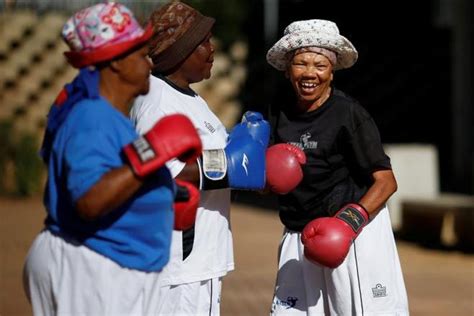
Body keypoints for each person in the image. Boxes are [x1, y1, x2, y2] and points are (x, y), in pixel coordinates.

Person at [22, 3, 203, 315]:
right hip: (91, 268)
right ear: (117, 62)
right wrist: (153, 150)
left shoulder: (109, 116)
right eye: (140, 55)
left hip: (108, 267)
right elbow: (90, 199)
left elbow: (119, 174)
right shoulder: (91, 117)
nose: (149, 63)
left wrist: (165, 194)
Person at [130, 1, 306, 315]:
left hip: (202, 256)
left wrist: (261, 174)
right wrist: (234, 166)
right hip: (179, 262)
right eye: (203, 43)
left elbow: (222, 167)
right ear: (180, 52)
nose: (212, 49)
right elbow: (160, 172)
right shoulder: (156, 101)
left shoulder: (192, 100)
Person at [266, 19, 409, 315]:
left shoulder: (349, 114)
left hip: (351, 233)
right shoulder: (278, 110)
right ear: (287, 70)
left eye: (319, 65)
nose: (309, 74)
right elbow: (271, 179)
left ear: (331, 72)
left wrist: (347, 223)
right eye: (301, 64)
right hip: (298, 233)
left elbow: (386, 182)